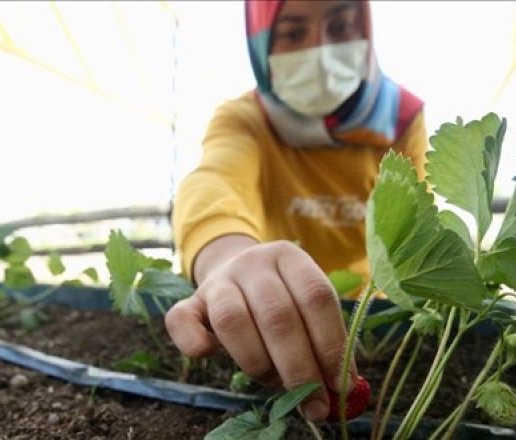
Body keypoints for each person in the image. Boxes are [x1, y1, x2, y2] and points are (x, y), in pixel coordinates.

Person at [165, 0, 428, 422]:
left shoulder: (401, 121)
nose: (320, 50)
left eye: (340, 25)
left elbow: (419, 229)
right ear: (261, 41)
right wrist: (226, 256)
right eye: (292, 33)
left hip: (372, 315)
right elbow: (213, 183)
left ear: (365, 29)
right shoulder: (245, 120)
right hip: (268, 309)